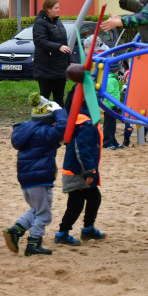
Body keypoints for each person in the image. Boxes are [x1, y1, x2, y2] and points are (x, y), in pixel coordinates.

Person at [4, 93, 69, 257]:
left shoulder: (27, 130)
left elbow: (49, 143)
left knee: (37, 210)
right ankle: (33, 243)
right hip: (39, 178)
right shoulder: (44, 132)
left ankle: (16, 230)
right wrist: (59, 110)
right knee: (44, 214)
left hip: (28, 179)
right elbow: (63, 129)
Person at [55, 102, 106, 246]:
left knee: (94, 198)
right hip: (78, 172)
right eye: (100, 104)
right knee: (76, 204)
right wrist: (90, 172)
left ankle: (88, 229)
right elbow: (82, 150)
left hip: (82, 170)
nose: (103, 107)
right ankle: (62, 233)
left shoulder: (87, 121)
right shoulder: (85, 124)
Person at [32, 0, 72, 103]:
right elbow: (41, 42)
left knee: (59, 99)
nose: (59, 10)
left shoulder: (58, 23)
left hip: (60, 69)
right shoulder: (40, 23)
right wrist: (58, 47)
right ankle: (43, 118)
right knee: (44, 98)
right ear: (48, 9)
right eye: (56, 8)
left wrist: (70, 59)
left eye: (58, 8)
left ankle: (59, 119)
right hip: (46, 68)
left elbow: (64, 43)